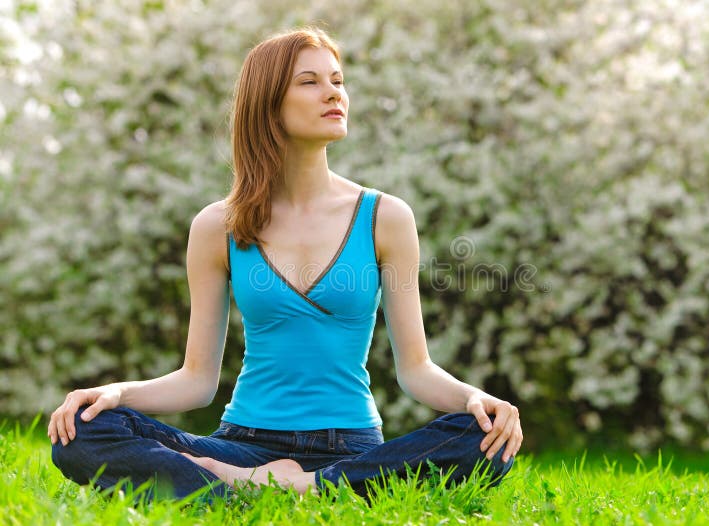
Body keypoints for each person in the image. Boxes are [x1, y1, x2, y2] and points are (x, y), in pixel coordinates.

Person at [48, 26, 522, 500]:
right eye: (310, 82)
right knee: (87, 431)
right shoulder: (218, 226)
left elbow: (416, 369)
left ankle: (272, 488)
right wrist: (117, 394)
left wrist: (474, 399)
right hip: (241, 444)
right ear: (268, 103)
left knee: (484, 437)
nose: (333, 92)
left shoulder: (384, 217)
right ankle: (271, 487)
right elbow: (196, 381)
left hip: (351, 450)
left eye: (338, 80)